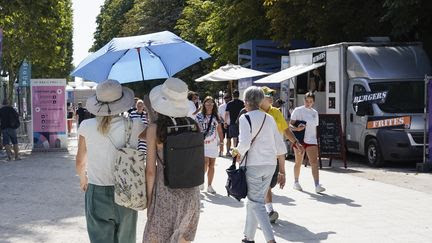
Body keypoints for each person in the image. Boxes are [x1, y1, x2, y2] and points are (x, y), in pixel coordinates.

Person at [75, 79, 145, 243]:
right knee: (126, 239)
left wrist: (83, 179)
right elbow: (154, 137)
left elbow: (80, 162)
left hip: (96, 190)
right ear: (121, 102)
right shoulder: (135, 124)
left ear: (98, 103)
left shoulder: (86, 125)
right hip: (128, 189)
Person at [144, 77, 200, 243]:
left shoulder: (155, 129)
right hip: (191, 192)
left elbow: (150, 171)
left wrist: (149, 199)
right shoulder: (193, 125)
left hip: (165, 192)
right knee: (182, 239)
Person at [233, 86, 286, 243]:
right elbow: (280, 145)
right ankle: (248, 237)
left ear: (246, 101)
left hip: (253, 164)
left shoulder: (245, 118)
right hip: (270, 164)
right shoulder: (269, 118)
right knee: (254, 200)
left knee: (256, 203)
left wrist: (235, 151)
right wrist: (282, 170)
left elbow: (244, 143)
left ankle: (270, 240)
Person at [260, 86, 304, 224]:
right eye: (269, 95)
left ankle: (263, 209)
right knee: (264, 185)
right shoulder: (254, 112)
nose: (272, 97)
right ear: (261, 98)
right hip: (258, 156)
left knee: (268, 185)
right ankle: (269, 210)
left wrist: (296, 142)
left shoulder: (276, 112)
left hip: (274, 155)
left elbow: (285, 130)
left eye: (272, 95)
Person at [290, 92, 326, 193]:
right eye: (306, 100)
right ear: (304, 100)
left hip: (311, 139)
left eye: (310, 101)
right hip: (299, 140)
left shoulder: (315, 113)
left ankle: (317, 185)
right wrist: (297, 129)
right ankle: (296, 182)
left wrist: (317, 140)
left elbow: (315, 127)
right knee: (298, 162)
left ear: (313, 102)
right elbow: (290, 126)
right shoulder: (297, 110)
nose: (308, 103)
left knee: (314, 162)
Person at [195, 96, 224, 194]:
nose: (209, 105)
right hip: (202, 143)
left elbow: (220, 130)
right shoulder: (199, 116)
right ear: (204, 104)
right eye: (207, 103)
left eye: (211, 103)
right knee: (205, 163)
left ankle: (210, 185)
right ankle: (201, 180)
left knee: (212, 165)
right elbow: (195, 129)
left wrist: (221, 142)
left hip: (213, 143)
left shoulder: (216, 116)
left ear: (214, 105)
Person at [224, 90, 244, 156]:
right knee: (237, 138)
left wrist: (225, 123)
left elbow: (226, 114)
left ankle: (229, 152)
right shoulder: (242, 103)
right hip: (240, 123)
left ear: (232, 95)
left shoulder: (229, 103)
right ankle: (236, 153)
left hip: (232, 123)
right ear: (238, 95)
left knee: (230, 138)